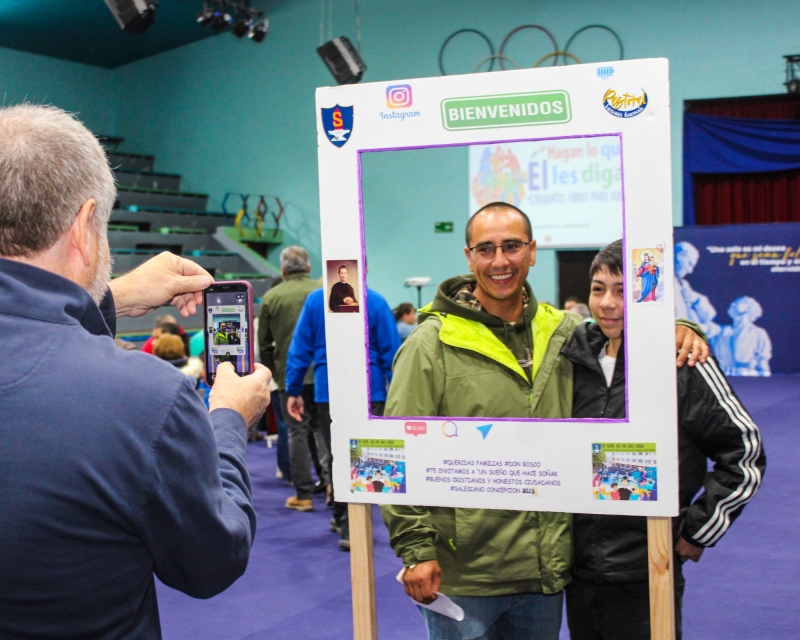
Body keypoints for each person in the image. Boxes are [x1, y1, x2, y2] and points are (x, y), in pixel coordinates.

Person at [0, 104, 272, 639]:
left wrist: (111, 296)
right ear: (83, 227)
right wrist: (228, 421)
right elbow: (211, 561)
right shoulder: (145, 397)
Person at [379, 203, 709, 640]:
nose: (500, 261)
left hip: (545, 575)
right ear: (469, 256)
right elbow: (397, 451)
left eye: (512, 247)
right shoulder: (431, 344)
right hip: (466, 575)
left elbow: (621, 327)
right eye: (487, 249)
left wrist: (679, 326)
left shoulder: (564, 331)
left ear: (532, 252)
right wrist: (415, 549)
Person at [561, 240, 766, 640]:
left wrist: (696, 530)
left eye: (622, 290)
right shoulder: (573, 358)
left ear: (648, 296)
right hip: (576, 569)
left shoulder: (682, 364)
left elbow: (745, 451)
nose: (607, 303)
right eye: (598, 288)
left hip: (649, 565)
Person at [286, 284, 400, 549]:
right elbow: (391, 351)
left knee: (338, 457)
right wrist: (398, 391)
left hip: (330, 390)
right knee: (371, 458)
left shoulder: (315, 301)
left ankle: (344, 519)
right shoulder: (377, 300)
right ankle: (359, 524)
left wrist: (293, 389)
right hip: (371, 391)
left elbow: (300, 347)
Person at [258, 246, 326, 511]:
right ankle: (332, 486)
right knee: (324, 430)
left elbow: (263, 343)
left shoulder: (272, 297)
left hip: (289, 375)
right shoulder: (323, 292)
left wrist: (273, 373)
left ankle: (304, 494)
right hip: (323, 373)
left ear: (283, 270)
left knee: (297, 431)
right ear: (309, 268)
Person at [712, 295, 772, 376]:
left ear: (749, 307)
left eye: (740, 302)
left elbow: (762, 361)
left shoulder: (758, 333)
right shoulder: (721, 331)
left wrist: (766, 383)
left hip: (748, 378)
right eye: (733, 303)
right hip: (723, 377)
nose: (733, 304)